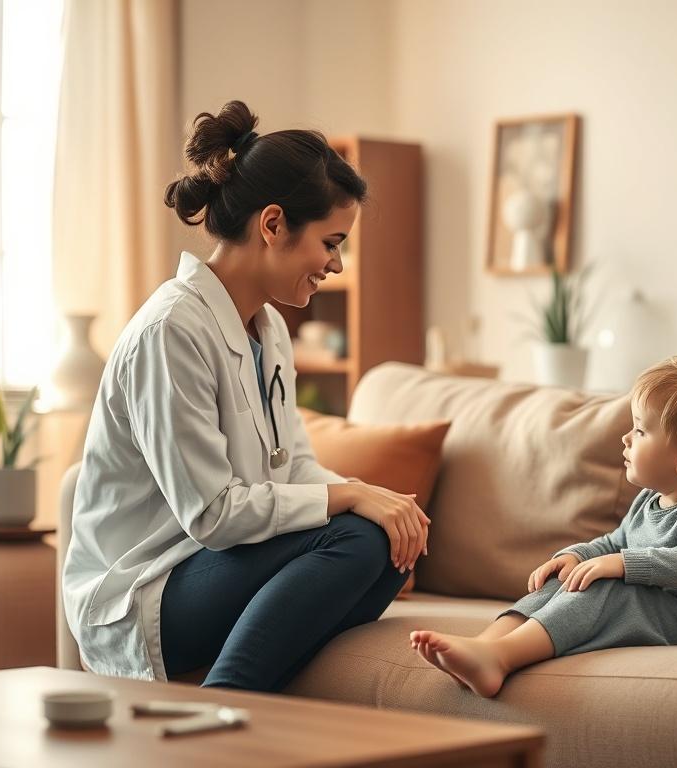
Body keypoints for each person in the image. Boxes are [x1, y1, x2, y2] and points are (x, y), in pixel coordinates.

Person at [63, 100, 429, 692]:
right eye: (331, 243)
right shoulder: (171, 332)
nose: (336, 263)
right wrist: (354, 497)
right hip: (143, 595)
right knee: (358, 535)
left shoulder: (269, 328)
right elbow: (213, 514)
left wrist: (382, 502)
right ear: (273, 224)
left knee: (394, 538)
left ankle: (252, 695)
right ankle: (226, 709)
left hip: (209, 569)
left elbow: (294, 467)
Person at [410, 355, 677, 697]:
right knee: (568, 577)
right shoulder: (649, 499)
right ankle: (484, 645)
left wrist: (623, 564)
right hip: (662, 608)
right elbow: (616, 541)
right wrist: (579, 554)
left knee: (610, 589)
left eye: (640, 431)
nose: (626, 438)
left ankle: (502, 657)